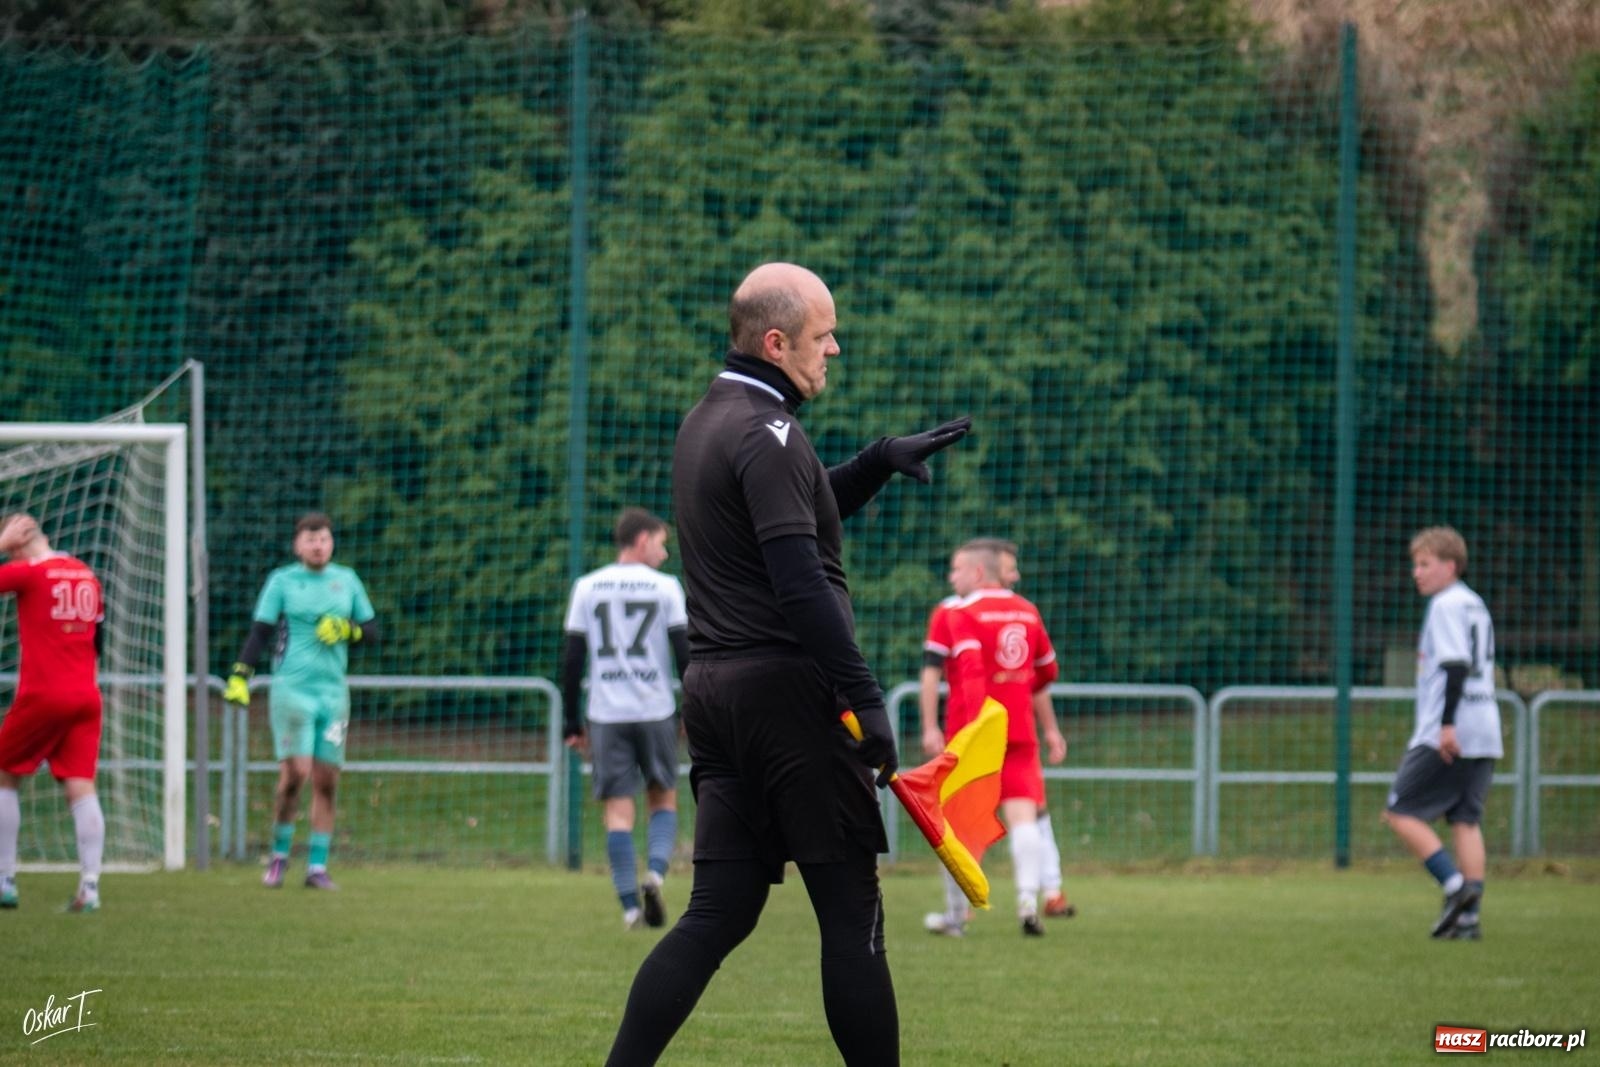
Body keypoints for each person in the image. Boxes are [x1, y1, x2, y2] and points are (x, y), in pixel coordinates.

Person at [604, 262, 969, 1066]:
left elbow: (795, 509)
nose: (834, 348)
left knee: (719, 909)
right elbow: (799, 581)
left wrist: (874, 459)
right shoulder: (768, 431)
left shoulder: (711, 417)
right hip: (790, 698)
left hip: (717, 694)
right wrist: (864, 697)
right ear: (776, 342)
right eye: (821, 335)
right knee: (850, 911)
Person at [919, 537, 1074, 934]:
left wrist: (968, 729)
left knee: (952, 822)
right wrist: (1051, 729)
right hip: (1019, 728)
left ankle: (956, 918)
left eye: (956, 570)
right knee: (1023, 817)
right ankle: (1027, 904)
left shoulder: (960, 613)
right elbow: (1045, 675)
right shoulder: (1028, 610)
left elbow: (970, 673)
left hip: (976, 732)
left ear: (975, 572)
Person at [224, 513, 377, 891]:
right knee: (296, 775)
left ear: (331, 543)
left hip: (333, 695)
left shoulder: (347, 581)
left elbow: (373, 632)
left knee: (326, 781)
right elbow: (260, 632)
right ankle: (278, 857)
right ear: (298, 545)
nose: (317, 545)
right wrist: (241, 673)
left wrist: (348, 629)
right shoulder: (283, 581)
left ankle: (317, 867)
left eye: (323, 539)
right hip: (292, 691)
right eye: (310, 539)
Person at [562, 507, 689, 931]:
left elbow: (571, 659)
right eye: (660, 542)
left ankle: (631, 909)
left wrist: (570, 722)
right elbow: (686, 654)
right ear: (640, 541)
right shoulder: (667, 588)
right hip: (655, 710)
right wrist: (692, 710)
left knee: (618, 813)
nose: (665, 553)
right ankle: (654, 874)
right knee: (663, 799)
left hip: (607, 714)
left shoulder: (587, 587)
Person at [1384, 526, 1499, 941]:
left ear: (1450, 566)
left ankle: (1455, 888)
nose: (1417, 573)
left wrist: (1447, 725)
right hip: (1486, 724)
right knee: (1465, 819)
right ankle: (1468, 921)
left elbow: (1454, 666)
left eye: (1425, 564)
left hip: (1451, 728)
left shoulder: (1447, 605)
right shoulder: (1474, 604)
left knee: (1400, 810)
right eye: (1415, 564)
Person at [0, 513, 105, 913]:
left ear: (17, 542)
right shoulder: (85, 573)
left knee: (5, 775)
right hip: (86, 694)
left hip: (44, 693)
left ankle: (5, 880)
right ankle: (90, 888)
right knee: (80, 785)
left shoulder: (30, 573)